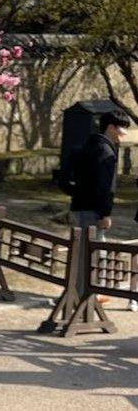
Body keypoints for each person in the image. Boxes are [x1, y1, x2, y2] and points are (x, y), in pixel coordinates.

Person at [69, 108, 133, 309]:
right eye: (122, 127)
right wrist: (105, 213)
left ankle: (82, 293)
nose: (124, 132)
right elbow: (104, 186)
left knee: (82, 252)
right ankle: (88, 295)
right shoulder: (105, 151)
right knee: (93, 254)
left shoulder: (89, 145)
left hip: (79, 205)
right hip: (92, 209)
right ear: (111, 127)